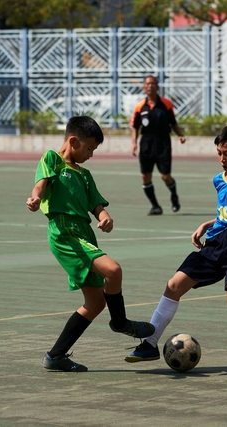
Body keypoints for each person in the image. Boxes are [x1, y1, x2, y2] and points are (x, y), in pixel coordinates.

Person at [124, 125, 227, 372]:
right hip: (216, 243)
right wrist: (206, 224)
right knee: (173, 285)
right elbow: (226, 214)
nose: (222, 159)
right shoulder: (219, 180)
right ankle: (149, 343)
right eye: (219, 153)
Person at [26, 116, 155, 372]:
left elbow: (95, 204)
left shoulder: (84, 175)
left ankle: (56, 356)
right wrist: (35, 198)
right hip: (64, 232)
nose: (91, 155)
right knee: (113, 270)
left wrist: (104, 216)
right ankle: (120, 323)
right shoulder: (52, 159)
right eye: (89, 149)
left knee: (95, 303)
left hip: (83, 232)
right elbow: (41, 184)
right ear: (73, 141)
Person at [130, 75, 187, 215]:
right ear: (144, 87)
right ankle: (155, 206)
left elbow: (173, 122)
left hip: (163, 143)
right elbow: (135, 126)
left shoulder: (166, 104)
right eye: (147, 84)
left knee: (165, 176)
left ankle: (174, 195)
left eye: (153, 83)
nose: (150, 86)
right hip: (146, 143)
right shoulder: (139, 106)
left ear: (157, 86)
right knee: (145, 177)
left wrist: (179, 134)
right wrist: (134, 143)